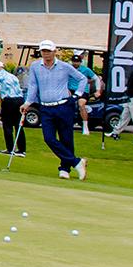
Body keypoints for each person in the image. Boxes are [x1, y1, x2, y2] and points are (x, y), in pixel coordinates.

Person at [22, 40, 87, 180]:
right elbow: (33, 86)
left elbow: (82, 79)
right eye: (44, 51)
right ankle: (76, 162)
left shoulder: (64, 66)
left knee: (66, 139)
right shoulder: (35, 67)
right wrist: (27, 102)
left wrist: (77, 95)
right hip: (45, 107)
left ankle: (65, 168)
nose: (46, 54)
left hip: (63, 106)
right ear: (41, 52)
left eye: (49, 51)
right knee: (49, 138)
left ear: (54, 51)